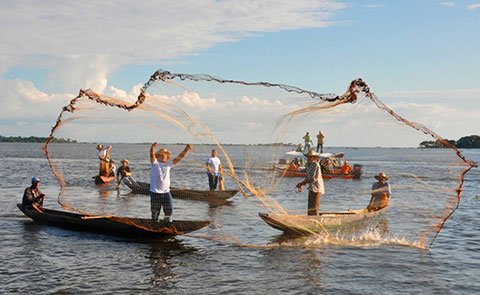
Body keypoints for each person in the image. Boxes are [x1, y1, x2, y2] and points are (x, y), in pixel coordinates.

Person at [150, 143, 192, 222]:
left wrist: (186, 149)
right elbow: (152, 155)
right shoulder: (155, 163)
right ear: (158, 156)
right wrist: (152, 147)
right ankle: (154, 223)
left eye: (165, 155)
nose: (163, 156)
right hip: (155, 192)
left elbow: (179, 158)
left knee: (169, 209)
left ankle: (167, 223)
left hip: (166, 192)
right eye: (161, 155)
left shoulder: (168, 164)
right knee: (155, 212)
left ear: (167, 157)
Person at [296, 150, 325, 215]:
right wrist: (301, 184)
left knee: (314, 207)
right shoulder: (309, 164)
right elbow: (307, 177)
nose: (308, 158)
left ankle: (315, 220)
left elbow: (312, 178)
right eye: (308, 157)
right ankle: (310, 218)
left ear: (314, 157)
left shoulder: (315, 164)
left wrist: (301, 184)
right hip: (311, 187)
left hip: (316, 187)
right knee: (310, 206)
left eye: (310, 157)